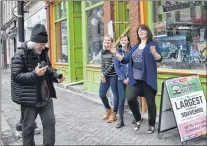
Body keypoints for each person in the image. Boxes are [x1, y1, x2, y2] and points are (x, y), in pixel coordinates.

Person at [11, 24, 65, 145]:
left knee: (50, 124)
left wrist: (57, 77)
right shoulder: (20, 55)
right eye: (41, 44)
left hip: (45, 97)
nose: (43, 47)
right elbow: (16, 76)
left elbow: (49, 68)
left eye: (44, 44)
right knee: (28, 128)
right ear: (33, 42)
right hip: (29, 99)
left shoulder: (43, 52)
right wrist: (34, 74)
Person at [110, 24, 162, 134]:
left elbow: (159, 59)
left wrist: (154, 53)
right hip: (135, 79)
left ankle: (151, 125)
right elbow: (124, 60)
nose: (141, 32)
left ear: (147, 31)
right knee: (130, 99)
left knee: (151, 103)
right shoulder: (134, 47)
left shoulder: (153, 45)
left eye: (143, 30)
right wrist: (115, 53)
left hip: (148, 79)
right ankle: (138, 118)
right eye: (139, 31)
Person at [99, 35, 119, 123]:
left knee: (115, 94)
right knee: (101, 94)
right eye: (105, 40)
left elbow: (113, 65)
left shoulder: (114, 51)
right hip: (105, 76)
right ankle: (108, 109)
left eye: (108, 41)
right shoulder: (103, 52)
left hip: (113, 76)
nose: (107, 42)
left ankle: (114, 113)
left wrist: (105, 74)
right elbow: (102, 64)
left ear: (111, 42)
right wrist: (102, 74)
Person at [114, 34, 130, 128]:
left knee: (133, 98)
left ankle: (137, 117)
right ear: (120, 42)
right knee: (122, 98)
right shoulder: (117, 52)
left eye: (125, 40)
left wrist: (129, 78)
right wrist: (124, 79)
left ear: (128, 41)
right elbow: (116, 67)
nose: (123, 41)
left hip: (131, 78)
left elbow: (133, 65)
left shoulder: (131, 51)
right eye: (122, 40)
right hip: (121, 79)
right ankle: (121, 119)